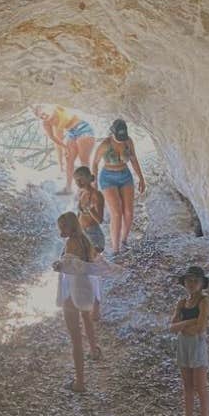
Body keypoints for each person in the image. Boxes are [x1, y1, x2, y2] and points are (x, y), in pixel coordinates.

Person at [53, 212, 110, 392]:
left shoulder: (71, 242)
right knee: (86, 318)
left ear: (71, 226)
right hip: (85, 289)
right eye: (59, 226)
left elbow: (69, 268)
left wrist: (57, 265)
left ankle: (80, 382)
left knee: (75, 337)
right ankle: (94, 350)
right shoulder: (85, 241)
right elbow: (92, 266)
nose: (61, 230)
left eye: (63, 227)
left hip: (72, 292)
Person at [92, 118, 146, 254]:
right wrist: (94, 185)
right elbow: (94, 163)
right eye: (119, 136)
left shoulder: (128, 141)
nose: (121, 139)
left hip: (125, 175)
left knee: (128, 212)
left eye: (123, 136)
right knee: (116, 213)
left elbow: (133, 159)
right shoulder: (105, 144)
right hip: (108, 177)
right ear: (112, 133)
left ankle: (124, 241)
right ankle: (115, 250)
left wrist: (141, 178)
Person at [170, 265, 209, 416]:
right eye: (189, 281)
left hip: (196, 345)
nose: (192, 284)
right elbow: (172, 327)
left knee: (200, 386)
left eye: (196, 281)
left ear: (202, 284)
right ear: (184, 283)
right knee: (187, 386)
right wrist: (189, 323)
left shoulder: (203, 301)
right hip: (184, 345)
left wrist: (183, 325)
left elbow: (200, 328)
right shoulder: (182, 303)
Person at [35, 106, 95, 193]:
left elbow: (64, 121)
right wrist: (65, 147)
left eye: (44, 113)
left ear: (48, 109)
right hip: (71, 133)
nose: (44, 117)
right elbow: (53, 137)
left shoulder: (58, 110)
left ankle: (87, 188)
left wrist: (53, 120)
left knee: (83, 160)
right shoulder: (46, 123)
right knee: (69, 160)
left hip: (83, 128)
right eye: (41, 117)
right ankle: (68, 188)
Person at [73, 165, 107, 321]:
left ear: (88, 177)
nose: (78, 181)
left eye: (80, 178)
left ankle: (96, 308)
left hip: (94, 235)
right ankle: (88, 304)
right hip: (83, 234)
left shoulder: (96, 195)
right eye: (76, 179)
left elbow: (100, 219)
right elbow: (79, 215)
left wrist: (89, 210)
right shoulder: (82, 193)